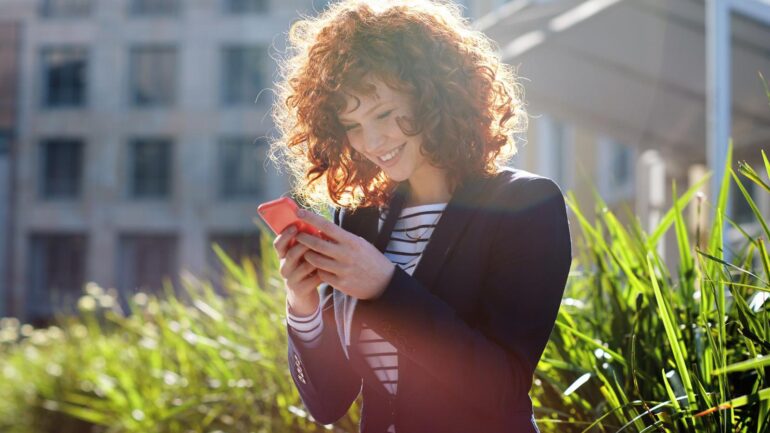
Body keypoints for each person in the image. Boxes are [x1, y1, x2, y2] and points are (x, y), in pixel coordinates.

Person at [269, 1, 572, 432]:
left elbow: (499, 385)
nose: (370, 141)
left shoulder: (526, 206)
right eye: (351, 125)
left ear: (435, 95)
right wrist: (302, 306)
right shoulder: (359, 219)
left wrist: (385, 286)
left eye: (384, 114)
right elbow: (329, 402)